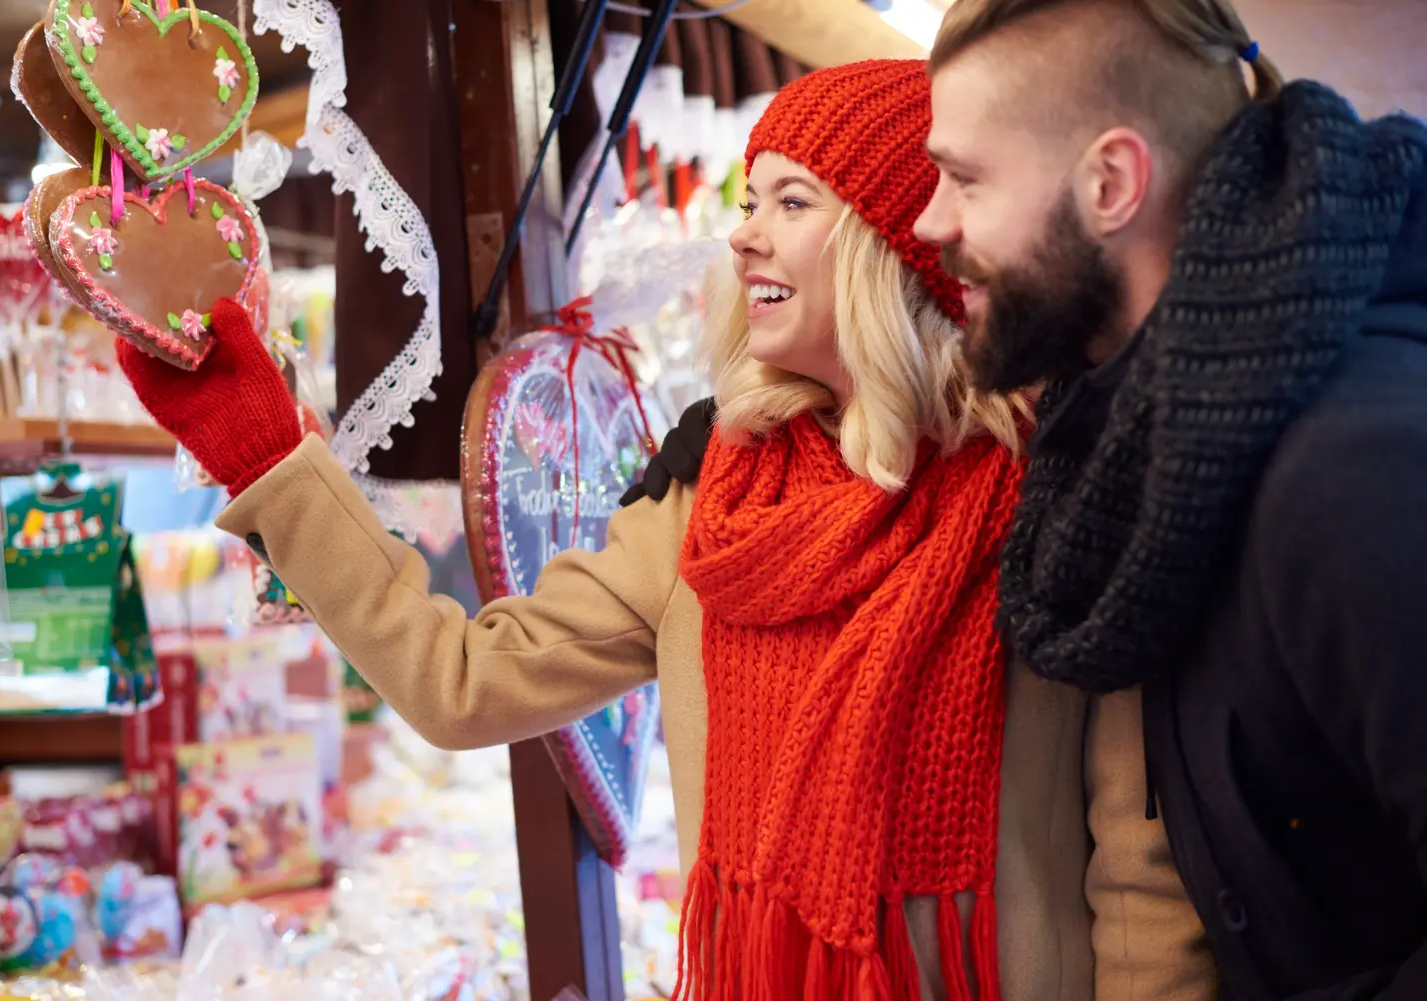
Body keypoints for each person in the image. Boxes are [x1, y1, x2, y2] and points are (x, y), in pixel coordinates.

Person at [118, 60, 1115, 1001]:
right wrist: (272, 459)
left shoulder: (1052, 488)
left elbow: (1139, 855)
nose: (745, 237)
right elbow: (460, 681)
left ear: (897, 236)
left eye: (793, 201)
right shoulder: (713, 498)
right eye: (749, 201)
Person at [912, 1, 1427, 999]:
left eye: (965, 177)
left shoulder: (1350, 469)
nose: (931, 220)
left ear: (1110, 183)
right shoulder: (1137, 441)